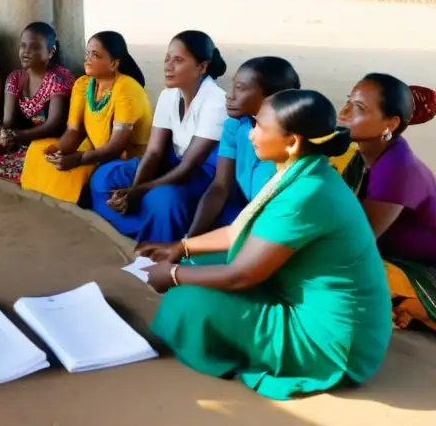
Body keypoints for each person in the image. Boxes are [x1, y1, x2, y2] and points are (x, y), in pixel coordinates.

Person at [140, 90, 390, 400]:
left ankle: (238, 352)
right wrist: (181, 249)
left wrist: (173, 274)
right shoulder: (300, 171)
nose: (251, 134)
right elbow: (239, 231)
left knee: (189, 300)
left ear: (292, 141)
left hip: (327, 341)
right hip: (309, 306)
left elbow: (241, 275)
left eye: (259, 126)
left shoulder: (306, 193)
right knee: (202, 264)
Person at [89, 30, 228, 242]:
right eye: (167, 59)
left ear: (202, 67)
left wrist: (138, 191)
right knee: (103, 177)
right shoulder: (169, 95)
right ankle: (143, 224)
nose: (168, 66)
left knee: (163, 199)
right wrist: (135, 189)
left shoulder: (215, 102)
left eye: (178, 60)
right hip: (173, 163)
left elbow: (188, 167)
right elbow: (153, 152)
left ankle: (155, 242)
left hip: (203, 174)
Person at [338, 75, 436, 332]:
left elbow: (356, 245)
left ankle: (416, 304)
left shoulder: (396, 168)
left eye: (358, 108)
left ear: (390, 124)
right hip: (395, 253)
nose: (344, 112)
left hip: (425, 266)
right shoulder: (368, 155)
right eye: (348, 102)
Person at [20, 31, 151, 204]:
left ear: (114, 63)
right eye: (87, 53)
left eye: (96, 55)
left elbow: (116, 147)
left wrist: (78, 159)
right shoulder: (83, 84)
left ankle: (79, 197)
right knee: (38, 150)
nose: (88, 59)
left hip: (127, 160)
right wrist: (59, 152)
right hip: (96, 150)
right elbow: (74, 130)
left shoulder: (127, 89)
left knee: (94, 176)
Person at [186, 57, 302, 237]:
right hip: (250, 214)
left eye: (239, 89)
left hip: (280, 225)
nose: (229, 95)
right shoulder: (235, 126)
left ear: (271, 97)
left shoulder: (292, 142)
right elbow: (220, 186)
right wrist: (189, 239)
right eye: (232, 86)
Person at [0, 23, 74, 184]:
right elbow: (8, 120)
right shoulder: (15, 78)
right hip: (25, 138)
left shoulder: (59, 80)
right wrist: (7, 137)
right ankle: (28, 170)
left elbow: (52, 126)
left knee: (47, 158)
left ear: (51, 52)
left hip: (51, 140)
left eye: (35, 47)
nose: (26, 52)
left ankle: (32, 170)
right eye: (23, 46)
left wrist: (18, 136)